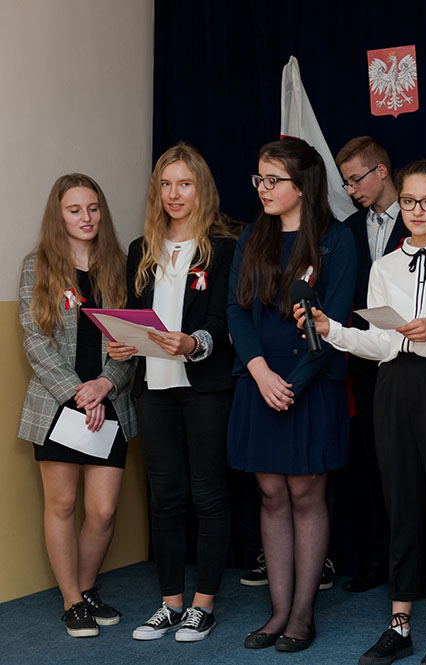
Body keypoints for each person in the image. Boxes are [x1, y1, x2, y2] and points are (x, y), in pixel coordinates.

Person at [295, 160, 426, 665]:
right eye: (408, 201)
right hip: (394, 385)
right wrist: (332, 330)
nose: (417, 211)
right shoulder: (384, 266)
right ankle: (399, 622)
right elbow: (380, 343)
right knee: (399, 503)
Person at [228, 137, 356, 653]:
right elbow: (237, 309)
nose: (263, 188)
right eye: (259, 179)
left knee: (305, 493)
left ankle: (303, 614)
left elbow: (335, 321)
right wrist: (259, 372)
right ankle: (278, 611)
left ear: (302, 185)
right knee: (271, 494)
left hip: (311, 381)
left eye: (273, 180)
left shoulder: (336, 239)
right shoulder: (252, 235)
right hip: (260, 378)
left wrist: (294, 385)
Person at [107, 144, 236, 643]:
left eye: (184, 184)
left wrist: (193, 343)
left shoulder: (223, 247)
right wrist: (122, 343)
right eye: (166, 184)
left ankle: (203, 605)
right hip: (153, 388)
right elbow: (133, 314)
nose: (174, 194)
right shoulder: (141, 249)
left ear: (201, 188)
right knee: (164, 498)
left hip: (204, 387)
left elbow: (223, 321)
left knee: (208, 495)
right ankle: (170, 604)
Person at [18, 173, 136, 638]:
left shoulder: (120, 265)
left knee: (103, 511)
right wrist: (77, 392)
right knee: (63, 505)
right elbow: (35, 340)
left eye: (93, 208)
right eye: (74, 210)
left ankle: (85, 591)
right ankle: (72, 601)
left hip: (110, 401)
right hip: (57, 404)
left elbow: (131, 341)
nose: (86, 217)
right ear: (59, 215)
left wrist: (105, 384)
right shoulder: (38, 265)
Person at [325, 135, 408, 594]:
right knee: (372, 463)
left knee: (416, 464)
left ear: (381, 170)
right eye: (346, 183)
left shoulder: (421, 220)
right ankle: (378, 559)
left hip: (415, 358)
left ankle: (423, 565)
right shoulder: (349, 229)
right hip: (363, 362)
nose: (351, 189)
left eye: (356, 179)